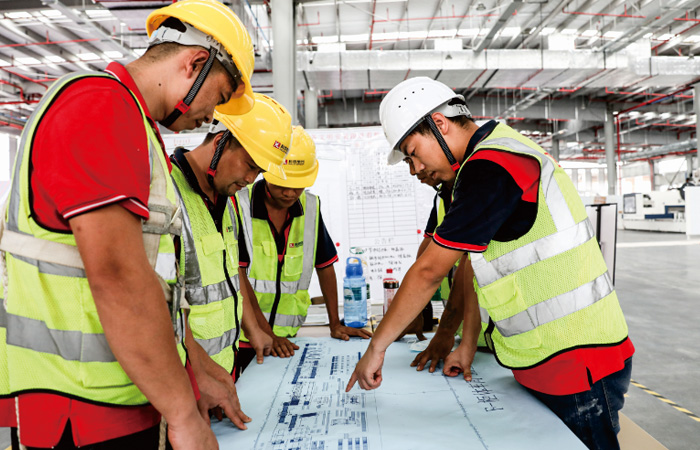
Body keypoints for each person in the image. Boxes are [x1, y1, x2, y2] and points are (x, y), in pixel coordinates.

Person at [0, 0, 255, 448]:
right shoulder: (100, 105)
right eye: (219, 96)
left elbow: (154, 283)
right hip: (79, 405)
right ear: (195, 63)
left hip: (117, 396)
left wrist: (194, 366)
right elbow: (117, 275)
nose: (211, 116)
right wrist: (183, 414)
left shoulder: (135, 125)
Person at [347, 77, 634, 450]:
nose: (414, 169)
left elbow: (430, 271)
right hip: (551, 358)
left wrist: (376, 349)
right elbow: (474, 269)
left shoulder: (494, 164)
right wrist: (466, 344)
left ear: (440, 124)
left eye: (413, 152)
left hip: (577, 361)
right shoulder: (488, 161)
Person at [169, 94, 293, 429]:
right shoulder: (167, 193)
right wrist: (196, 375)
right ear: (221, 140)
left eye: (259, 171)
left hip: (221, 380)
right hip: (183, 383)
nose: (251, 179)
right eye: (250, 165)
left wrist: (257, 331)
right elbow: (157, 303)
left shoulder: (231, 200)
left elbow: (233, 275)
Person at [235, 126, 372, 372]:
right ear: (266, 172)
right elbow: (238, 275)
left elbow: (325, 265)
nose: (289, 193)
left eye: (298, 185)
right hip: (242, 339)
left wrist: (334, 323)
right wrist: (267, 334)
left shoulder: (310, 207)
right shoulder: (238, 205)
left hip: (288, 339)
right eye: (281, 184)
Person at [408, 165, 487, 373]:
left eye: (414, 153)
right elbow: (426, 257)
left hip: (506, 339)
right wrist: (415, 310)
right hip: (469, 342)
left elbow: (470, 266)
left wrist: (445, 332)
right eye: (408, 160)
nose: (414, 170)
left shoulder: (478, 189)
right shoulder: (443, 196)